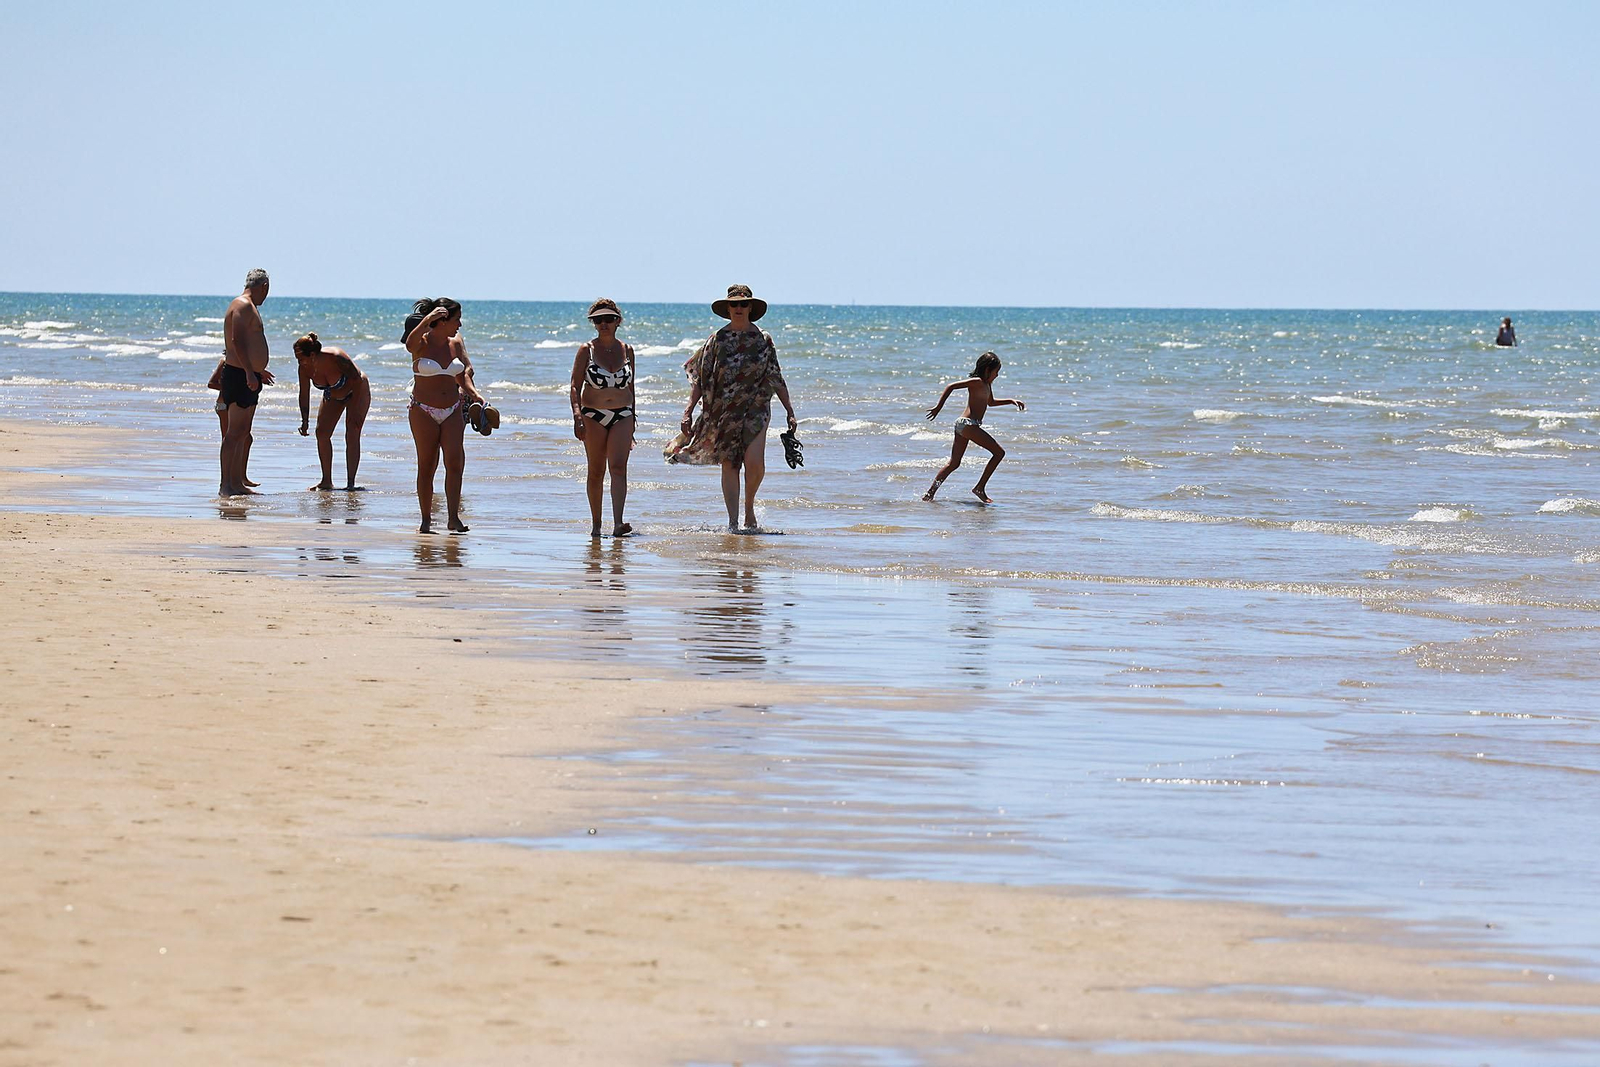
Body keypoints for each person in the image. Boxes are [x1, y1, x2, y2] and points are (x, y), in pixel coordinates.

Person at [666, 284, 798, 532]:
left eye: (744, 304)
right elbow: (700, 378)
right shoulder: (717, 340)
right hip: (722, 411)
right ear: (728, 308)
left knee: (755, 462)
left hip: (756, 409)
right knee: (730, 464)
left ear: (750, 307)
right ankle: (734, 523)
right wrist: (688, 410)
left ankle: (749, 508)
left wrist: (790, 410)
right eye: (734, 304)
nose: (739, 308)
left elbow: (775, 377)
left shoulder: (763, 339)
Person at [405, 297, 484, 534]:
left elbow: (464, 374)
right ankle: (426, 520)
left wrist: (476, 395)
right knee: (427, 465)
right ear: (442, 320)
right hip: (423, 410)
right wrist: (428, 319)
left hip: (452, 409)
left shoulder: (456, 342)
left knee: (455, 463)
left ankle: (453, 517)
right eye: (456, 319)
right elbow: (409, 345)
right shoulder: (421, 342)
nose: (459, 324)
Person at [569, 298, 637, 538]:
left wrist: (633, 423)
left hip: (623, 415)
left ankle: (618, 523)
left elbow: (632, 387)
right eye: (598, 320)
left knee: (618, 468)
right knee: (596, 470)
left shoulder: (627, 350)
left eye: (609, 319)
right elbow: (575, 386)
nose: (604, 324)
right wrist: (577, 416)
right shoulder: (586, 350)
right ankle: (597, 525)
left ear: (618, 321)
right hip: (593, 415)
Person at [922, 351, 1025, 504]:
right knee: (999, 453)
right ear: (987, 370)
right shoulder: (976, 381)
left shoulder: (987, 385)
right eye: (996, 372)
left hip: (963, 426)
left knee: (954, 463)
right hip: (968, 424)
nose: (997, 376)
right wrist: (938, 407)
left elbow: (991, 402)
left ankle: (929, 494)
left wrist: (1010, 401)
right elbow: (951, 386)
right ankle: (979, 488)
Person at [219, 268, 275, 495]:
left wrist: (257, 370)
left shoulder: (248, 306)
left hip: (247, 373)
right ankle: (226, 485)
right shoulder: (242, 304)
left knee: (242, 432)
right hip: (239, 375)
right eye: (267, 291)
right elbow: (237, 341)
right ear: (264, 287)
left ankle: (236, 483)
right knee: (234, 433)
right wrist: (250, 373)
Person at [294, 332, 371, 491]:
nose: (299, 361)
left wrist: (355, 410)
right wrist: (304, 421)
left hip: (357, 390)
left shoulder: (336, 357)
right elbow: (304, 394)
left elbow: (356, 380)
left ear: (313, 354)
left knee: (352, 431)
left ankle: (350, 483)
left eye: (301, 357)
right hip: (334, 395)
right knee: (321, 433)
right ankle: (326, 481)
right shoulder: (304, 368)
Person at [207, 358, 257, 488]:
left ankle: (241, 477)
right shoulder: (226, 362)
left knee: (246, 438)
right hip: (223, 405)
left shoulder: (246, 363)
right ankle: (226, 481)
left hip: (236, 402)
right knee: (229, 439)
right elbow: (211, 383)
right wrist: (233, 387)